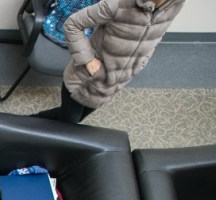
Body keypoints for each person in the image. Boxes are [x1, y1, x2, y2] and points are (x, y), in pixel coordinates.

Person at [33, 0, 186, 124]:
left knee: (71, 118)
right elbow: (72, 24)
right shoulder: (118, 4)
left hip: (112, 85)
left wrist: (139, 64)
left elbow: (157, 36)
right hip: (83, 80)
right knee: (69, 127)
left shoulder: (174, 5)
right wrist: (88, 59)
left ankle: (28, 123)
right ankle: (29, 128)